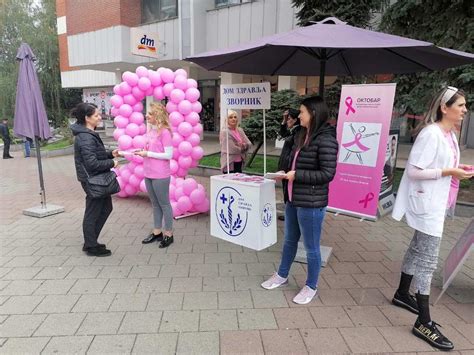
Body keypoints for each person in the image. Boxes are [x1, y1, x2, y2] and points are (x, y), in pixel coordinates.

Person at [391, 87, 473, 351]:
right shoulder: (431, 134)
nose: (464, 110)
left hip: (434, 204)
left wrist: (457, 170)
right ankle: (423, 322)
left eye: (465, 105)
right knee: (427, 261)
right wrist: (448, 171)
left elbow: (442, 167)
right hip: (428, 206)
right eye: (460, 105)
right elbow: (414, 171)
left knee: (417, 249)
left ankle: (403, 293)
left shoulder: (449, 135)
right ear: (444, 108)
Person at [261, 96, 338, 305]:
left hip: (311, 203)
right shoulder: (301, 134)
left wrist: (298, 175)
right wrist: (284, 172)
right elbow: (292, 162)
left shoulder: (326, 139)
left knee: (311, 247)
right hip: (292, 199)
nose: (299, 115)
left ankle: (311, 286)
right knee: (289, 241)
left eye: (302, 112)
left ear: (313, 113)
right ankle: (282, 275)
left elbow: (327, 173)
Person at [71, 103, 120, 257]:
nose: (100, 117)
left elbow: (95, 154)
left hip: (96, 179)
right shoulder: (85, 137)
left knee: (105, 208)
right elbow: (92, 164)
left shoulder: (88, 133)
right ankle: (91, 245)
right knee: (93, 212)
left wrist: (111, 154)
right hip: (92, 180)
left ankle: (91, 241)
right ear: (87, 118)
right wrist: (112, 163)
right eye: (96, 115)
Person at [135, 103, 174, 248]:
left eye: (150, 114)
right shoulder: (150, 131)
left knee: (164, 204)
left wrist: (148, 153)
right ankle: (157, 232)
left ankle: (169, 234)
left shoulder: (165, 132)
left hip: (160, 174)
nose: (147, 116)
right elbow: (150, 149)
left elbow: (169, 154)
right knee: (155, 203)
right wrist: (142, 151)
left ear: (157, 115)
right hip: (148, 172)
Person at [278, 108, 301, 221]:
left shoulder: (299, 132)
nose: (287, 121)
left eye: (289, 119)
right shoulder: (293, 130)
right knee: (285, 190)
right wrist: (283, 121)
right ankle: (288, 212)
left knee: (288, 190)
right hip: (285, 165)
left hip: (289, 166)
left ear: (296, 120)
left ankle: (289, 214)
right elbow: (283, 134)